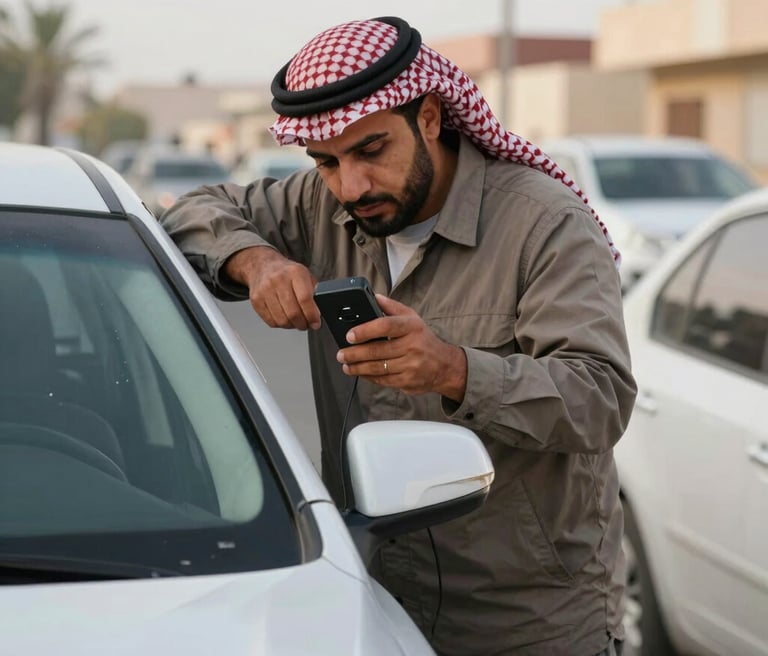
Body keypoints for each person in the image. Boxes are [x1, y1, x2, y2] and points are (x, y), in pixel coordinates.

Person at [160, 16, 636, 656]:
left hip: (526, 620)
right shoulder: (320, 202)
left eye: (372, 150)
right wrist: (257, 261)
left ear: (430, 117)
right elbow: (192, 211)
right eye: (327, 162)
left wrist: (453, 370)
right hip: (369, 597)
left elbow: (599, 398)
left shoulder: (544, 224)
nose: (351, 186)